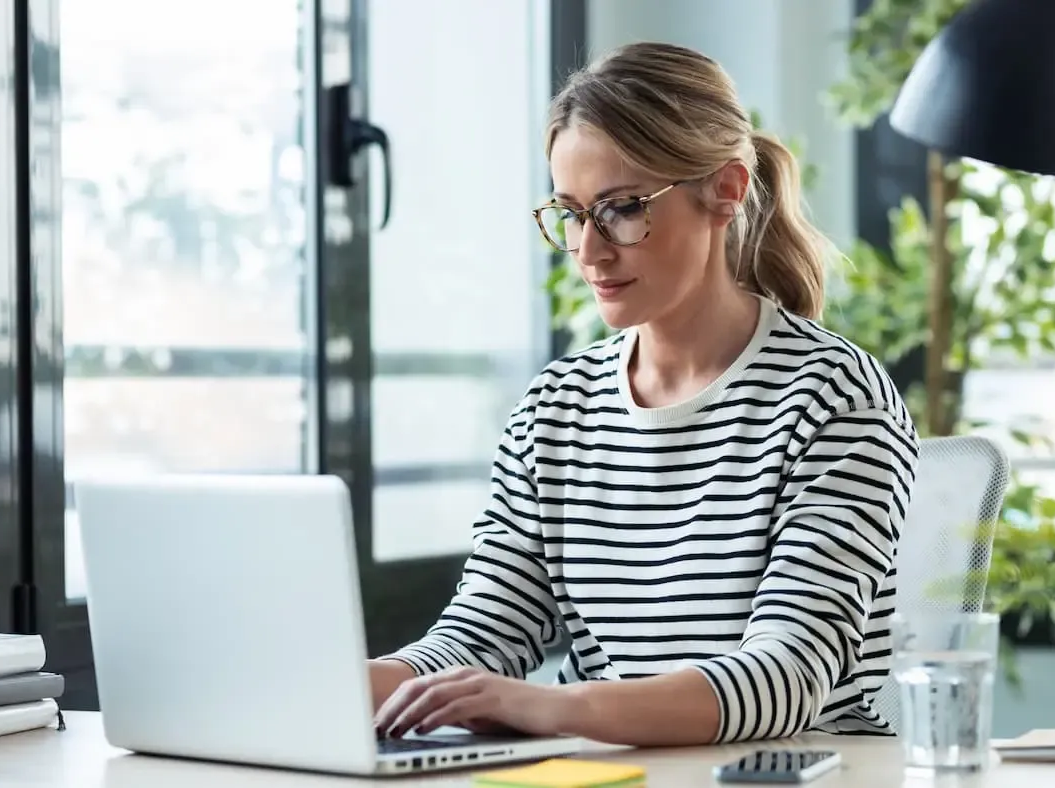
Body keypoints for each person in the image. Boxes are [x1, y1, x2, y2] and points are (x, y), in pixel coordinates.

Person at [368, 41, 920, 748]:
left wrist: (546, 707)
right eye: (570, 214)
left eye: (622, 209)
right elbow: (481, 638)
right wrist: (337, 685)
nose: (590, 252)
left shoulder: (834, 398)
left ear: (725, 190)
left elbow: (786, 676)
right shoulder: (554, 411)